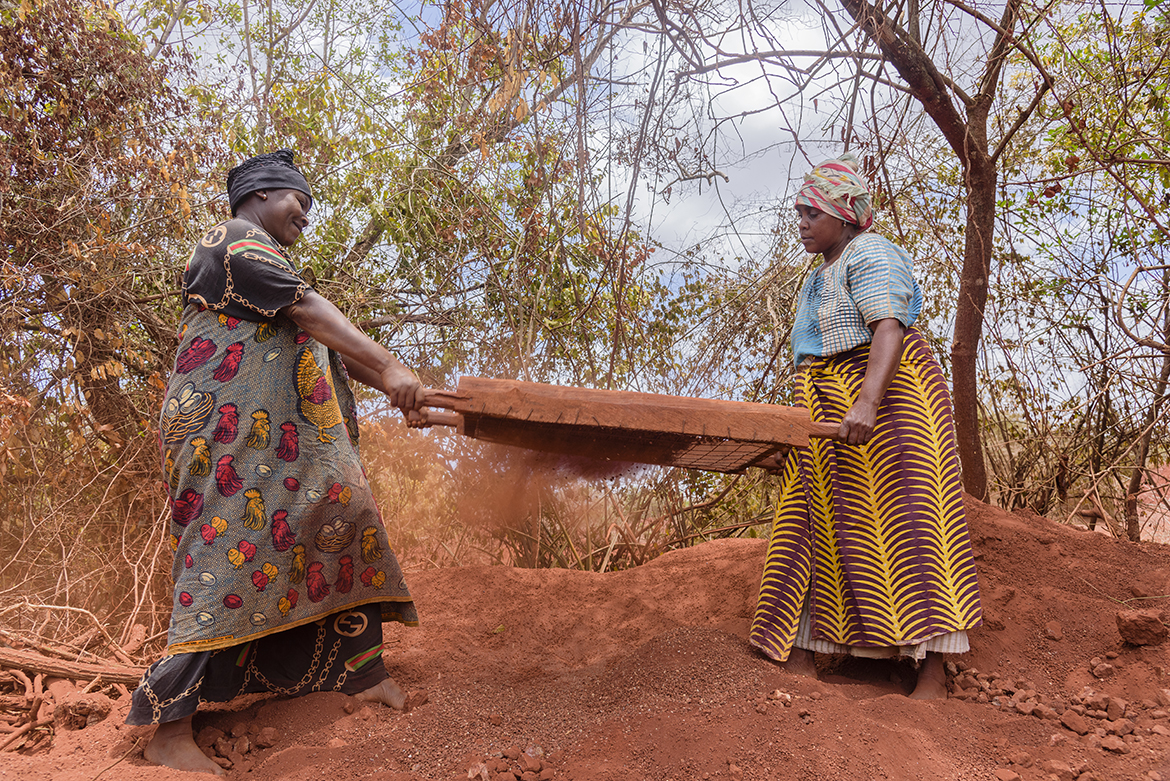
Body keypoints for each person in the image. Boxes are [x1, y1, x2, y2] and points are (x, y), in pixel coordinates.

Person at [128, 150, 428, 774]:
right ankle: (169, 729)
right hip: (224, 443)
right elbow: (310, 312)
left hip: (283, 447)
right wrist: (392, 366)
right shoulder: (233, 242)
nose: (305, 216)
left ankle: (363, 674)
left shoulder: (269, 265)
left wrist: (402, 390)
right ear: (261, 194)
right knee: (222, 557)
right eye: (299, 201)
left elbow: (330, 341)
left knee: (343, 515)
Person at [749, 153, 983, 699]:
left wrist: (868, 403)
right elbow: (815, 356)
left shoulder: (872, 252)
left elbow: (888, 328)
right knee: (815, 523)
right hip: (831, 406)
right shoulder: (818, 275)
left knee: (913, 526)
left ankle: (932, 670)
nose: (802, 223)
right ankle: (813, 652)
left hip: (894, 403)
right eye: (799, 213)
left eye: (812, 213)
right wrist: (799, 425)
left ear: (845, 214)